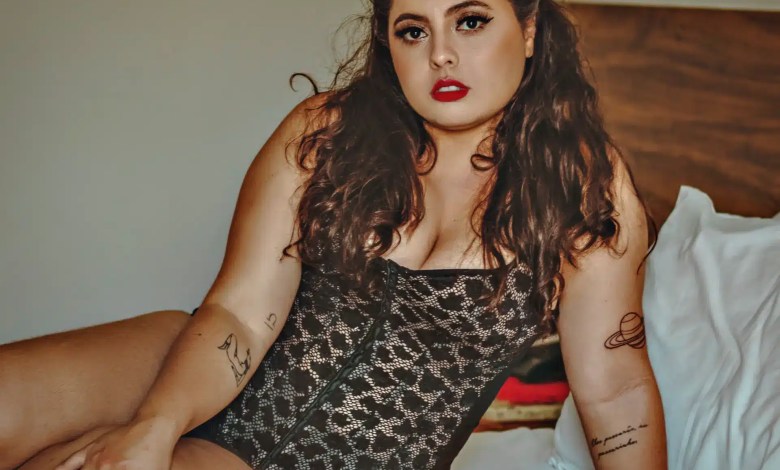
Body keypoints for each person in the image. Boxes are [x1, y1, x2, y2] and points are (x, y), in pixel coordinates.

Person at [0, 0, 668, 468]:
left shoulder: (586, 188)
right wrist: (157, 421)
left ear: (528, 30)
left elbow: (615, 388)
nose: (441, 53)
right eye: (412, 30)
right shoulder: (325, 133)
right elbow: (239, 314)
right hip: (197, 365)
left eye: (470, 21)